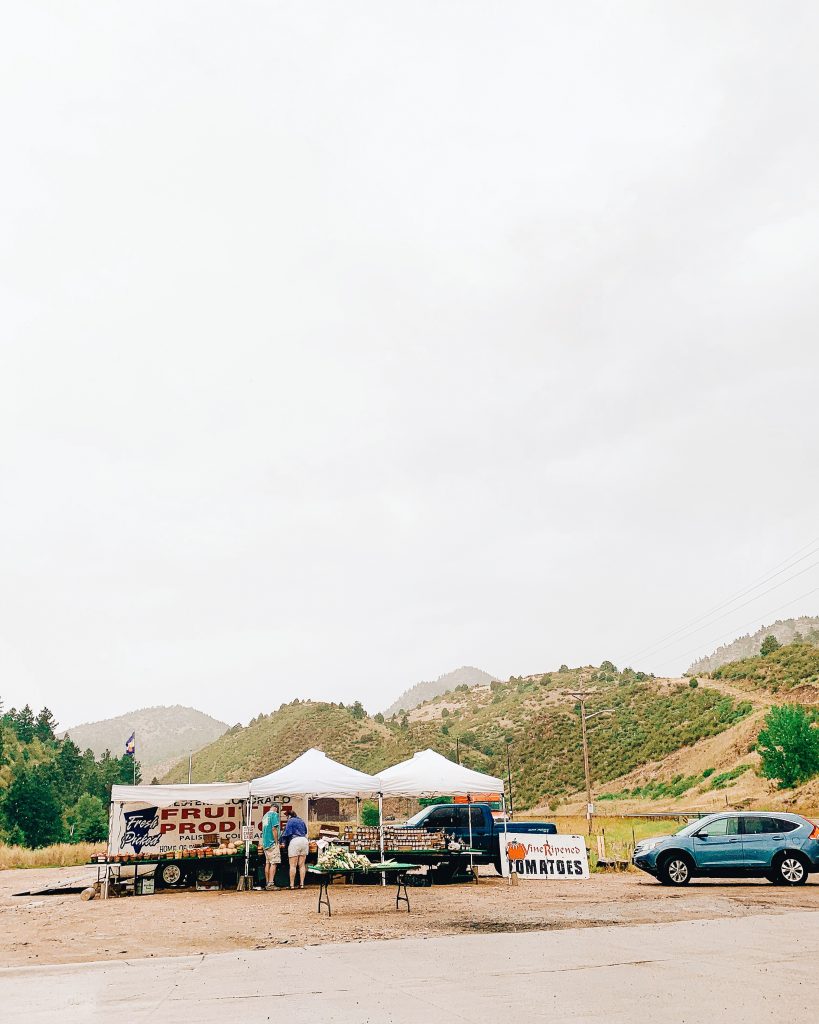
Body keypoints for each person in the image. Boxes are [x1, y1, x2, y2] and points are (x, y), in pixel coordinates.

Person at [280, 809, 309, 889]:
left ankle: (292, 885)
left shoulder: (290, 821)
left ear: (289, 816)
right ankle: (302, 884)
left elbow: (286, 833)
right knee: (302, 865)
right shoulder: (301, 821)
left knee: (293, 865)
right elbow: (305, 831)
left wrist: (283, 842)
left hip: (295, 841)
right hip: (304, 840)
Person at [260, 803, 281, 890]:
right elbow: (274, 829)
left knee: (268, 863)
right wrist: (276, 842)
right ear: (276, 809)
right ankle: (271, 884)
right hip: (272, 842)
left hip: (265, 842)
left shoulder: (265, 816)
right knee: (274, 863)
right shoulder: (274, 814)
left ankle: (267, 883)